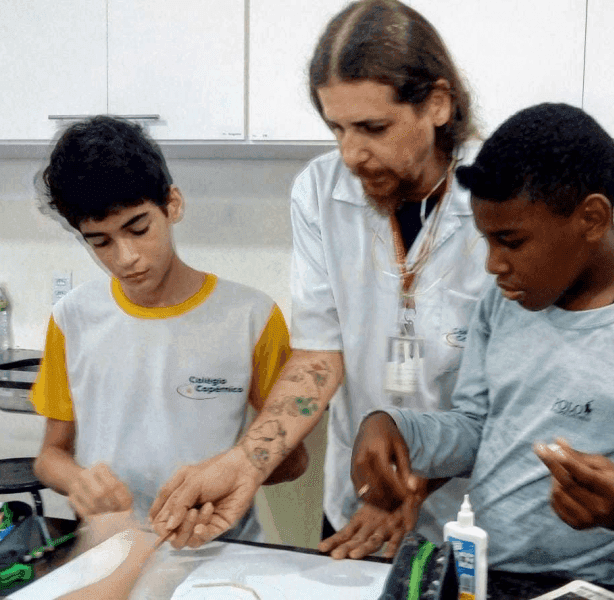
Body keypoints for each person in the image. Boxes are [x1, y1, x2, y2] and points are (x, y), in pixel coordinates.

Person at [349, 103, 614, 589]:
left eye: (511, 241)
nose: (493, 265)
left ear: (591, 218)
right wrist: (397, 428)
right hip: (483, 577)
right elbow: (477, 429)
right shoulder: (504, 301)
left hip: (596, 588)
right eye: (487, 241)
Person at [150, 0, 489, 558]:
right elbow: (318, 355)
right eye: (336, 128)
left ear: (437, 104)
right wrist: (247, 463)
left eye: (373, 128)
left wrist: (419, 478)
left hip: (475, 514)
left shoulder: (502, 196)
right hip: (362, 504)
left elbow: (517, 392)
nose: (351, 153)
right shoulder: (319, 192)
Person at [31, 115, 308, 545]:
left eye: (138, 229)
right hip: (112, 548)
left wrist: (228, 470)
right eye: (100, 242)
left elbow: (294, 460)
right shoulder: (72, 318)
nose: (126, 257)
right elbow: (51, 455)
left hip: (218, 546)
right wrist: (77, 481)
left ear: (172, 204)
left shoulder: (251, 318)